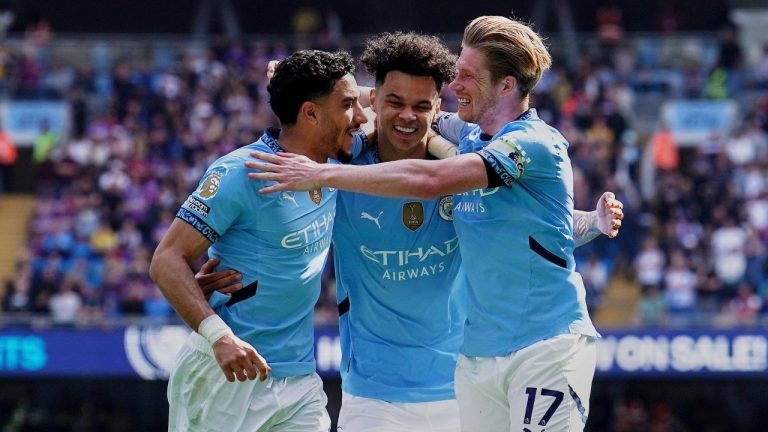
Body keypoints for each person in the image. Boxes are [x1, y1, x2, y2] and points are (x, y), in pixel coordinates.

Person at [246, 16, 620, 432]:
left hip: (539, 347)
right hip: (462, 366)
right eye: (456, 74)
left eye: (466, 76)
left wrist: (321, 175)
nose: (455, 85)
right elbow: (399, 98)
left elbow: (430, 179)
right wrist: (304, 81)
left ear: (507, 85)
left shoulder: (529, 144)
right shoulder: (469, 136)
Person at [149, 49, 368, 432]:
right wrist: (219, 336)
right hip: (227, 372)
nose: (362, 117)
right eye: (349, 105)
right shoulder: (240, 172)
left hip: (298, 376)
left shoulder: (336, 168)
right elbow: (166, 259)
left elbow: (408, 113)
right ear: (311, 114)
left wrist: (293, 77)